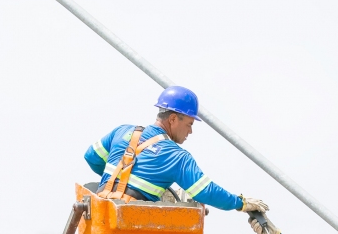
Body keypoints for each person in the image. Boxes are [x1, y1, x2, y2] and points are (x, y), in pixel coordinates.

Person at [84, 85, 269, 214]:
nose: (191, 131)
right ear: (173, 119)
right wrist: (241, 203)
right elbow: (206, 191)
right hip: (130, 229)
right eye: (189, 123)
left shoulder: (123, 131)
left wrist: (115, 180)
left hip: (100, 217)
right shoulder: (177, 157)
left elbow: (91, 157)